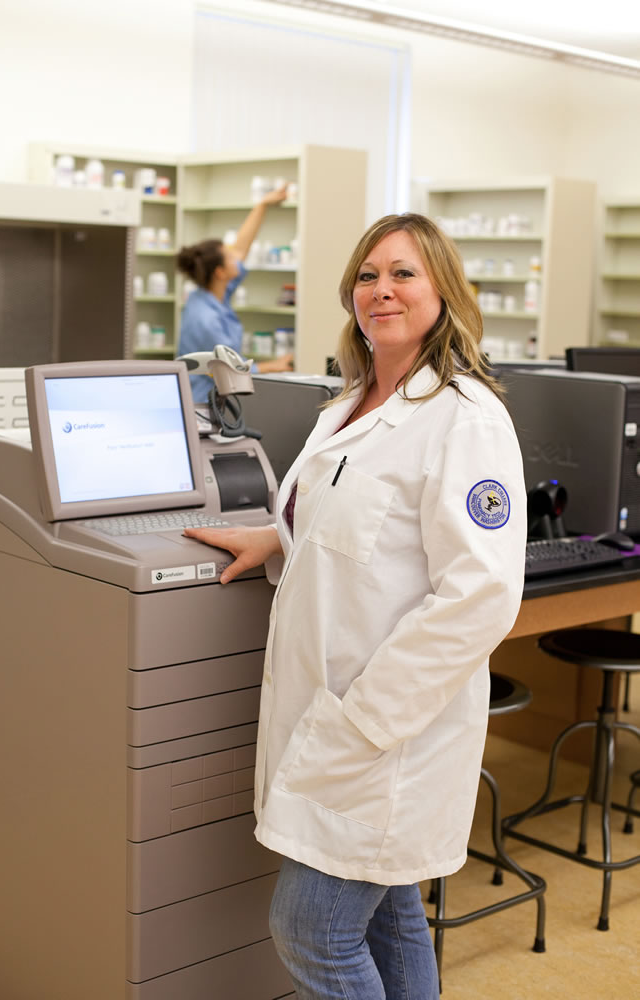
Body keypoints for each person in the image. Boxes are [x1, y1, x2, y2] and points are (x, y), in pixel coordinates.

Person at [183, 213, 527, 998]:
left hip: (384, 732)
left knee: (312, 932)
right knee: (389, 917)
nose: (382, 290)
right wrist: (277, 541)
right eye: (368, 275)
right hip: (339, 718)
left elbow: (480, 597)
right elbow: (358, 528)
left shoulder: (463, 419)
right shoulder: (350, 405)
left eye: (403, 273)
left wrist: (367, 718)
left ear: (442, 289)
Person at [176, 186, 294, 403]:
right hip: (200, 404)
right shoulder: (205, 318)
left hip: (218, 397)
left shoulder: (215, 293)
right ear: (220, 272)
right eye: (229, 257)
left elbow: (241, 247)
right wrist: (273, 366)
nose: (236, 257)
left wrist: (263, 204)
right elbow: (229, 368)